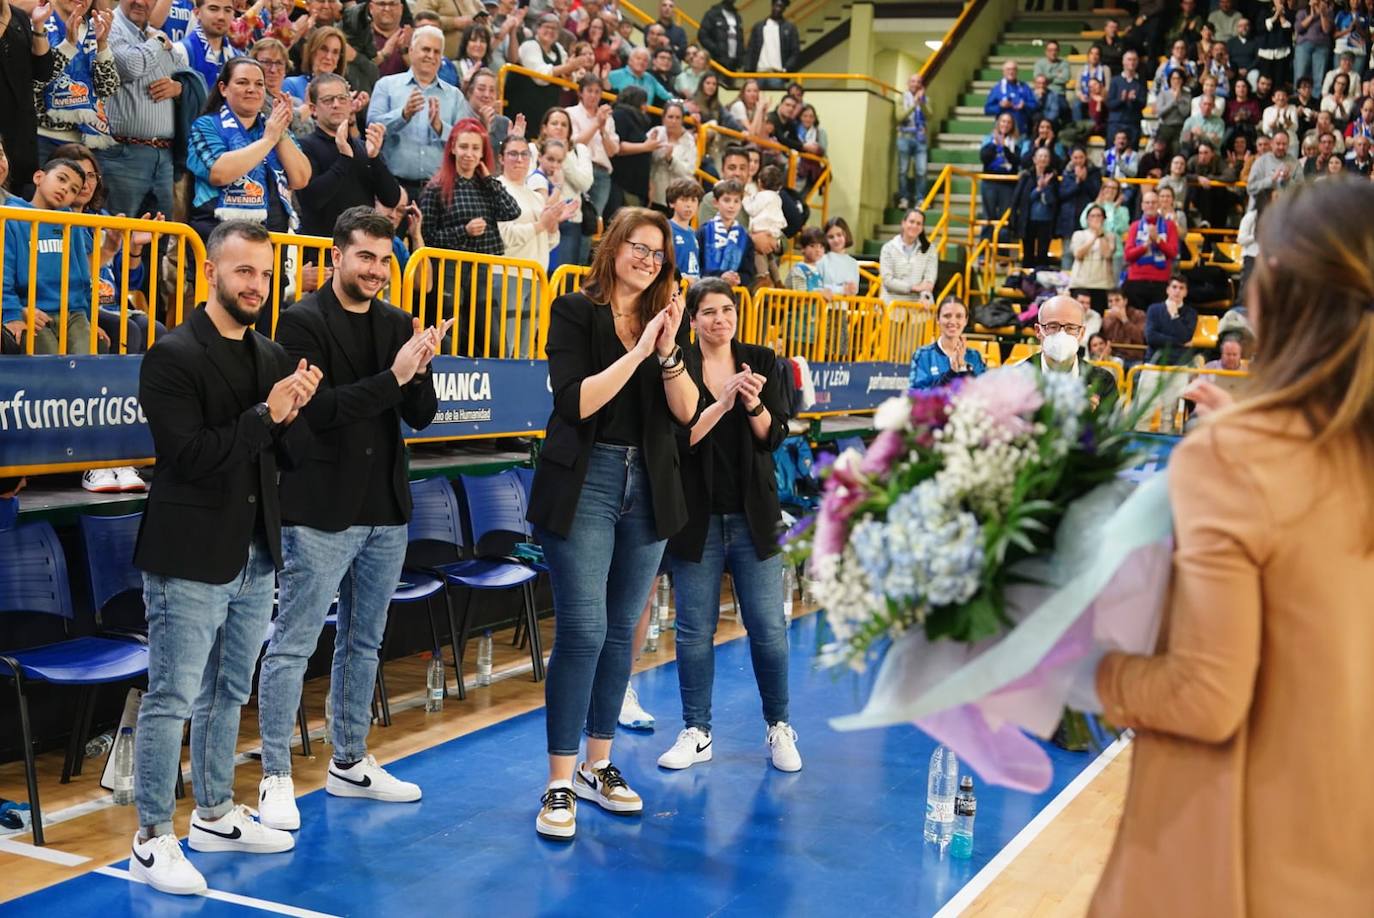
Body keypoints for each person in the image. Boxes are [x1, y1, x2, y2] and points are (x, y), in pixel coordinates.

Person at [1087, 177, 1374, 918]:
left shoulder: (1236, 456)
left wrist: (1087, 668)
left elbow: (1205, 698)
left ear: (1280, 292)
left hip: (1245, 861)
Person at [128, 220, 322, 897]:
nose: (256, 286)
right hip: (188, 554)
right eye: (244, 273)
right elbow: (190, 458)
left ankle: (212, 812)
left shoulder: (271, 354)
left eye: (265, 275)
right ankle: (151, 837)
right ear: (211, 271)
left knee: (227, 692)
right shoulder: (172, 355)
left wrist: (296, 414)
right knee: (173, 697)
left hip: (256, 549)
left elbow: (282, 457)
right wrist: (267, 416)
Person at [256, 207, 444, 833]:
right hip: (319, 508)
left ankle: (349, 760)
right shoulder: (300, 320)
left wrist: (422, 365)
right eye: (365, 257)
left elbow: (420, 414)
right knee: (294, 644)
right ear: (336, 256)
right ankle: (275, 773)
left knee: (364, 643)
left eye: (385, 259)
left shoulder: (396, 322)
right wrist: (395, 375)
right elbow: (320, 412)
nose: (377, 270)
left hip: (385, 508)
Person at [526, 208, 696, 841]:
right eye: (639, 248)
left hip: (649, 485)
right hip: (586, 481)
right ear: (614, 247)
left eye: (659, 254)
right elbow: (576, 401)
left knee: (623, 629)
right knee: (585, 629)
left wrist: (670, 349)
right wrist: (641, 348)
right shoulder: (576, 310)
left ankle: (600, 765)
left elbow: (684, 412)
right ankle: (559, 782)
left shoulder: (665, 327)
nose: (648, 261)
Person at [658, 276, 799, 773]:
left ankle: (779, 726)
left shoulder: (760, 360)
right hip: (695, 516)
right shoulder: (677, 362)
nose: (720, 319)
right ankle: (697, 730)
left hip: (753, 517)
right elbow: (679, 440)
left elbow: (773, 435)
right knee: (694, 629)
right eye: (709, 312)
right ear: (692, 320)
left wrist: (752, 401)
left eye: (728, 310)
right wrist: (721, 402)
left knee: (767, 627)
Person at [417, 117, 520, 355]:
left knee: (493, 340)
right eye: (464, 147)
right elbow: (427, 237)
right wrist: (463, 231)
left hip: (482, 269)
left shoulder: (486, 185)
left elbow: (512, 211)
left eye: (476, 148)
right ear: (452, 148)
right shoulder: (435, 188)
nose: (469, 154)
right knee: (452, 336)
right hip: (449, 270)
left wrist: (488, 179)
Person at [186, 57, 311, 249]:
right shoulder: (206, 125)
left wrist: (281, 134)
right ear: (223, 88)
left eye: (259, 84)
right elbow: (220, 173)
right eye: (242, 82)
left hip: (273, 240)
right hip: (219, 237)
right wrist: (268, 140)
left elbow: (301, 178)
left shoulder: (273, 128)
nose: (252, 89)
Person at [1, 158, 98, 354]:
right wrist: (12, 313)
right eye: (61, 179)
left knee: (86, 362)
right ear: (39, 177)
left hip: (74, 314)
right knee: (49, 363)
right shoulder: (11, 217)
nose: (65, 189)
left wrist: (90, 320)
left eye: (73, 190)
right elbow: (4, 274)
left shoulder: (72, 223)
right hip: (34, 311)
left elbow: (83, 278)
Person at [368, 25, 472, 202]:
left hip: (439, 191)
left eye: (436, 52)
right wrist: (403, 115)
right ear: (411, 50)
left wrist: (441, 129)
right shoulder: (386, 85)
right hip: (393, 188)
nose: (431, 56)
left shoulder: (455, 96)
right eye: (426, 49)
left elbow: (466, 141)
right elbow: (372, 127)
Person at [99, 0, 182, 221]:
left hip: (163, 156)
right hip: (122, 154)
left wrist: (178, 87)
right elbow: (131, 66)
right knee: (116, 237)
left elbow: (184, 71)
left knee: (157, 240)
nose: (140, 2)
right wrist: (160, 41)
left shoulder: (152, 33)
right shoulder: (110, 25)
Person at [498, 135, 577, 356]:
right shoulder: (498, 188)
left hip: (536, 276)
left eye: (524, 154)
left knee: (525, 351)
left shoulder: (535, 196)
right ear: (501, 159)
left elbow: (549, 242)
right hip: (509, 274)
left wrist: (551, 227)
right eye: (513, 154)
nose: (519, 159)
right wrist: (541, 225)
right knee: (505, 347)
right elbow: (503, 235)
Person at [297, 73, 401, 237]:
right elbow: (312, 200)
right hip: (321, 251)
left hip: (360, 248)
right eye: (328, 100)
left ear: (350, 103)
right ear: (313, 109)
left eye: (342, 98)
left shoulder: (363, 147)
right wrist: (344, 159)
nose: (336, 104)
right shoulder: (305, 146)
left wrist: (374, 159)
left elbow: (391, 198)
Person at [1, 0, 56, 196]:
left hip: (20, 139)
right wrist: (4, 18)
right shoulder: (9, 16)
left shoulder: (20, 17)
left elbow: (43, 71)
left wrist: (38, 26)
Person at [1027, 294, 1118, 410]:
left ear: (1082, 333)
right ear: (1038, 331)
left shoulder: (1102, 381)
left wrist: (1090, 419)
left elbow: (1113, 426)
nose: (1061, 334)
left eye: (1071, 328)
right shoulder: (1017, 378)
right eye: (1053, 326)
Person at [536, 106, 593, 267]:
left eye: (564, 124)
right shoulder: (534, 149)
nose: (559, 127)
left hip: (570, 222)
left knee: (563, 279)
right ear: (544, 128)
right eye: (554, 123)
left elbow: (585, 184)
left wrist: (564, 156)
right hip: (540, 219)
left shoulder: (579, 151)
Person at [566, 73, 620, 222]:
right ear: (580, 93)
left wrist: (603, 130)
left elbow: (613, 151)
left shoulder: (608, 119)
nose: (593, 95)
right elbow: (575, 144)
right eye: (589, 91)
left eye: (597, 92)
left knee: (593, 221)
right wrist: (596, 124)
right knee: (573, 217)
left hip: (602, 173)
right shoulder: (570, 113)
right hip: (578, 169)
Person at [907, 296, 986, 389]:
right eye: (947, 316)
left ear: (966, 320)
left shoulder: (974, 356)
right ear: (937, 319)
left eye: (959, 316)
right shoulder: (922, 355)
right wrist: (951, 373)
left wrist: (964, 368)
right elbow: (916, 396)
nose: (952, 321)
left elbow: (983, 393)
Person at [1122, 189, 1179, 311]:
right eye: (1147, 202)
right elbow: (1128, 256)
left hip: (1160, 281)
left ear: (1158, 204)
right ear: (1142, 206)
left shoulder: (1169, 226)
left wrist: (1158, 240)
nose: (1150, 205)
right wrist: (1144, 247)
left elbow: (1173, 253)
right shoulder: (1135, 226)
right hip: (1136, 281)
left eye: (1153, 202)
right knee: (1137, 322)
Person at [698, 179, 755, 288]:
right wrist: (720, 276)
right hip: (705, 291)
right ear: (716, 202)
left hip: (733, 295)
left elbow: (749, 273)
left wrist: (737, 278)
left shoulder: (745, 238)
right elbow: (696, 267)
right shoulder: (703, 232)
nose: (731, 206)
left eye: (736, 201)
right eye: (727, 200)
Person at [1011, 147, 1059, 268]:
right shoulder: (1026, 176)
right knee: (1028, 254)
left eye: (1046, 156)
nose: (1043, 159)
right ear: (1034, 159)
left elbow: (1053, 201)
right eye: (1040, 156)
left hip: (1046, 221)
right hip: (1028, 220)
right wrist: (1038, 189)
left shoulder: (1053, 178)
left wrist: (1046, 188)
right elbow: (1023, 200)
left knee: (1043, 254)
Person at [609, 84, 654, 212]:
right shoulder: (620, 115)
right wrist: (645, 146)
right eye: (643, 102)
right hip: (623, 183)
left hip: (637, 185)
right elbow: (618, 145)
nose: (646, 107)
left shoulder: (638, 120)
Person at [879, 207, 937, 304]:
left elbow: (929, 279)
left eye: (919, 223)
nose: (914, 226)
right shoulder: (888, 248)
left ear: (922, 228)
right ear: (903, 223)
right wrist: (913, 288)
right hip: (891, 306)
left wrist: (925, 296)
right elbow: (888, 280)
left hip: (919, 308)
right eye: (911, 222)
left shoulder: (930, 249)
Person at [648, 99, 697, 210]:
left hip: (678, 198)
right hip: (654, 195)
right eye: (670, 117)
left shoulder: (689, 141)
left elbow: (689, 171)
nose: (674, 121)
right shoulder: (655, 132)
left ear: (682, 120)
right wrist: (651, 147)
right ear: (663, 118)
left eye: (677, 117)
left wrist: (671, 160)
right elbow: (645, 161)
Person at [979, 112, 1022, 239]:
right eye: (1003, 121)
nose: (1005, 124)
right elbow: (984, 158)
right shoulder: (988, 139)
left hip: (1007, 184)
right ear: (998, 123)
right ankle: (984, 251)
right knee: (988, 217)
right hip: (990, 183)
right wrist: (995, 144)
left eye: (1009, 122)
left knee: (1004, 218)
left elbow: (1016, 161)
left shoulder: (1016, 143)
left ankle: (1002, 253)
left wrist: (1005, 147)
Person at [180, 0, 239, 89]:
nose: (221, 17)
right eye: (213, 9)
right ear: (197, 13)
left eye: (227, 10)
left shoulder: (238, 57)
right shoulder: (181, 52)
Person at [1069, 204, 1119, 311]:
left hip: (1102, 284)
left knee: (1098, 317)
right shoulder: (1078, 235)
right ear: (1087, 219)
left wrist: (1101, 236)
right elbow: (1078, 254)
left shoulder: (1110, 236)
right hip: (1080, 283)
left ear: (1104, 219)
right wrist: (1094, 237)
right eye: (1092, 216)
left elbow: (1107, 254)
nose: (1095, 219)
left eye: (1099, 216)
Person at [282, 26, 348, 101]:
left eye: (335, 52)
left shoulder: (343, 93)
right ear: (312, 51)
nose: (329, 57)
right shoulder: (291, 85)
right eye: (323, 49)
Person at [1144, 273, 1199, 364]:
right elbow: (1151, 338)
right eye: (1174, 287)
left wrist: (1175, 316)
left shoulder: (1191, 313)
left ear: (1186, 293)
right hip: (1154, 358)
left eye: (1181, 288)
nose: (1177, 291)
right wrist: (1179, 343)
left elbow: (1185, 337)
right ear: (1168, 290)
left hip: (1179, 362)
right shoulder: (1153, 309)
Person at [895, 72, 929, 209]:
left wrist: (923, 103)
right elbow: (899, 117)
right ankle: (904, 197)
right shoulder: (901, 99)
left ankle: (920, 198)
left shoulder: (925, 99)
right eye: (913, 81)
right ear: (908, 84)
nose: (916, 84)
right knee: (903, 170)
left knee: (921, 170)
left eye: (918, 82)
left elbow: (930, 115)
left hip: (920, 138)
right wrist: (913, 105)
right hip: (904, 137)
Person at [746, 0, 799, 86]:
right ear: (772, 5)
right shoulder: (759, 27)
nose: (778, 9)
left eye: (781, 6)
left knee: (777, 98)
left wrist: (786, 69)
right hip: (758, 73)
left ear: (784, 9)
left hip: (777, 75)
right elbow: (750, 50)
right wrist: (748, 72)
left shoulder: (790, 28)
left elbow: (795, 51)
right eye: (776, 5)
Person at [984, 60, 1036, 135]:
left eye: (1013, 69)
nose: (1011, 72)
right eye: (1008, 69)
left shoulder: (1024, 87)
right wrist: (1000, 106)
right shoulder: (997, 88)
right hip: (1003, 133)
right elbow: (987, 110)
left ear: (1017, 72)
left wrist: (1025, 105)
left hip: (1022, 131)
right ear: (1003, 72)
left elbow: (1034, 105)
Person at [1106, 49, 1145, 146]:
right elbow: (1110, 103)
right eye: (1129, 59)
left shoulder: (1141, 81)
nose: (1131, 62)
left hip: (1133, 123)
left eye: (1134, 60)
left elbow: (1143, 103)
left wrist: (1134, 100)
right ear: (1123, 62)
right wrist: (1121, 100)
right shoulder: (1115, 81)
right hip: (1116, 122)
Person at [666, 177, 702, 279]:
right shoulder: (667, 228)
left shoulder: (693, 233)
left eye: (693, 200)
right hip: (673, 288)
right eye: (684, 200)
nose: (689, 205)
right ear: (672, 203)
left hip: (691, 289)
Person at [697, 0, 743, 72]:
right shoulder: (713, 14)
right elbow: (702, 35)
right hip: (717, 63)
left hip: (733, 64)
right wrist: (716, 49)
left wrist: (741, 58)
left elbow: (740, 39)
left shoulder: (737, 16)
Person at [820, 216, 861, 296]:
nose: (836, 240)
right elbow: (818, 287)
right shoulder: (822, 259)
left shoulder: (853, 263)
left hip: (844, 307)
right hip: (824, 306)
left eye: (839, 235)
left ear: (846, 235)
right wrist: (842, 289)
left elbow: (854, 290)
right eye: (831, 237)